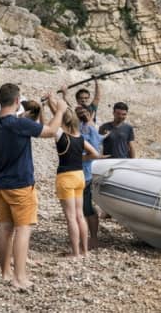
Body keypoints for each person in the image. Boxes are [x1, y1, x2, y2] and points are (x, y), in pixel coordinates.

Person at [0, 83, 66, 289]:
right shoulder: (19, 124)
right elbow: (52, 130)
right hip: (21, 184)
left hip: (0, 183)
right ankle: (19, 278)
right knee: (23, 229)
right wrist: (60, 109)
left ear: (0, 101)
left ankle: (6, 273)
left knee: (5, 227)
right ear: (17, 101)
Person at [55, 108, 103, 257]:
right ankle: (85, 251)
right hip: (80, 176)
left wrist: (48, 108)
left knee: (71, 217)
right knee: (80, 215)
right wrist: (79, 158)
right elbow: (95, 154)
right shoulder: (80, 138)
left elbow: (48, 126)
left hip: (66, 177)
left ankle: (75, 252)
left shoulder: (61, 136)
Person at [75, 105, 105, 248]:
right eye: (79, 112)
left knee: (86, 208)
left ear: (91, 113)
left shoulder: (91, 129)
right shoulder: (76, 128)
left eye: (85, 112)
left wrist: (76, 158)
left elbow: (96, 154)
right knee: (78, 209)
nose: (82, 114)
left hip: (85, 174)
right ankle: (83, 238)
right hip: (73, 174)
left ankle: (93, 238)